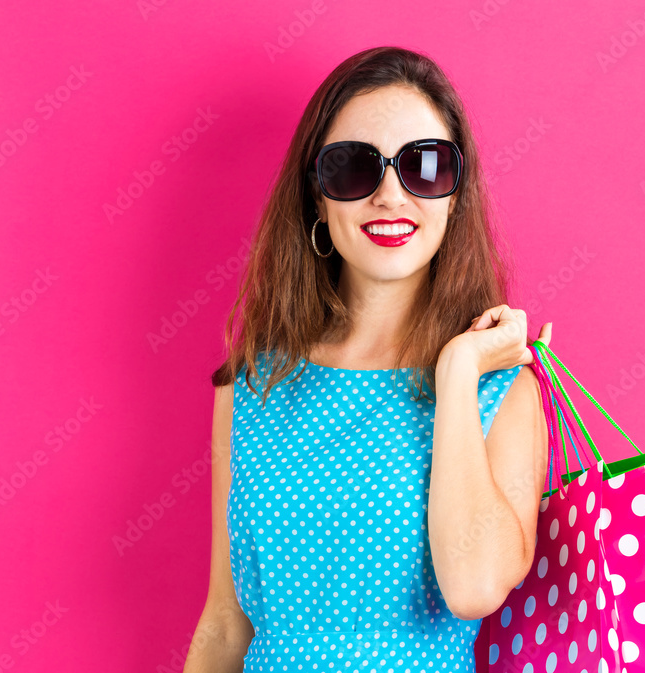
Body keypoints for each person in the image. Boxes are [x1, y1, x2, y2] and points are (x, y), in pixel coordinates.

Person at [185, 45, 551, 673]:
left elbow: (474, 588)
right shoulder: (251, 385)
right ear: (317, 199)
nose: (389, 195)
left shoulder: (500, 394)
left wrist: (458, 374)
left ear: (455, 198)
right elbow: (224, 623)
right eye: (354, 169)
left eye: (424, 167)